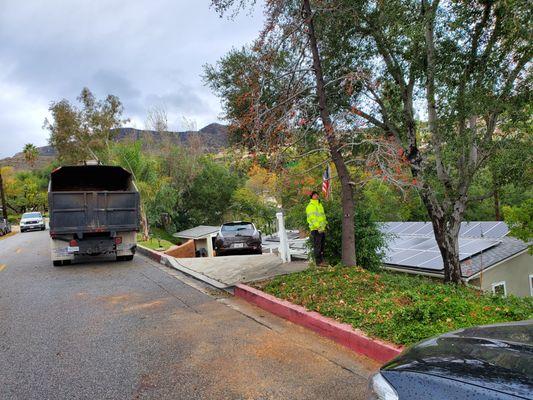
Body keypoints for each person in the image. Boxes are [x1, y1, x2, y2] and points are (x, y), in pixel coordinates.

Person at [306, 191, 327, 266]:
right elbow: (312, 218)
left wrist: (325, 225)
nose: (316, 196)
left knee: (322, 246)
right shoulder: (310, 206)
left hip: (322, 228)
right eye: (314, 195)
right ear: (311, 197)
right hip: (316, 229)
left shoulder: (320, 205)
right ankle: (318, 262)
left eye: (317, 194)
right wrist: (318, 227)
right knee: (317, 246)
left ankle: (322, 261)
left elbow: (323, 216)